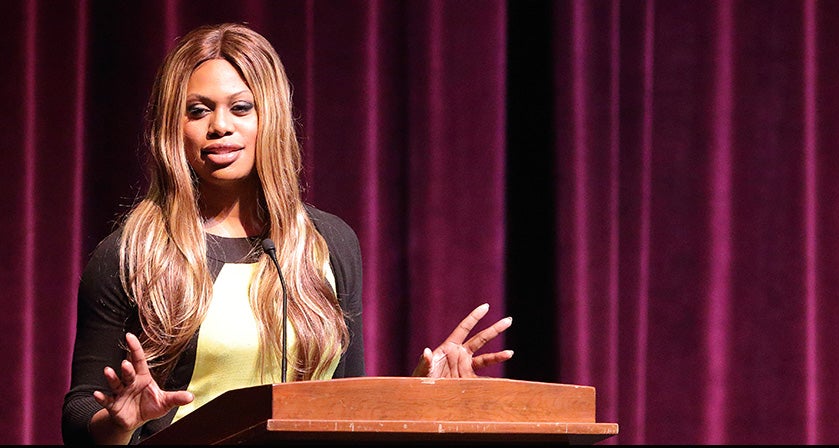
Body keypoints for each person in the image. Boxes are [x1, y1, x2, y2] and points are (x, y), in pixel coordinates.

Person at [61, 23, 513, 445]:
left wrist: (418, 393)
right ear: (172, 128)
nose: (220, 126)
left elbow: (343, 403)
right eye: (198, 111)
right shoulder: (131, 253)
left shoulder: (328, 242)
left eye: (241, 107)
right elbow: (80, 413)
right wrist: (118, 423)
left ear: (270, 118)